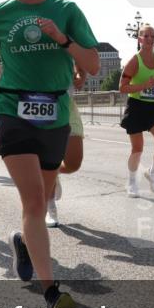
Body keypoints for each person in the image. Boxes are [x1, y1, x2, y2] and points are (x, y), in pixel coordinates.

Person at [0, 0, 99, 308]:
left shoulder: (67, 9)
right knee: (32, 201)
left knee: (42, 200)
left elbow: (91, 64)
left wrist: (62, 38)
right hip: (13, 109)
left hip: (55, 112)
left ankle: (24, 243)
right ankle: (52, 292)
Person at [118, 24, 154, 197]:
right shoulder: (134, 61)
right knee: (137, 149)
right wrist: (143, 86)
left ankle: (152, 172)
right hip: (136, 107)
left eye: (152, 36)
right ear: (139, 39)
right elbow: (122, 87)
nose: (149, 39)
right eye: (146, 36)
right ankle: (132, 181)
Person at [45, 63, 87, 227]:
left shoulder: (65, 39)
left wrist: (81, 75)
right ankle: (51, 209)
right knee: (47, 161)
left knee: (73, 164)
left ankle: (52, 172)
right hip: (40, 105)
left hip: (66, 106)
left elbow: (83, 60)